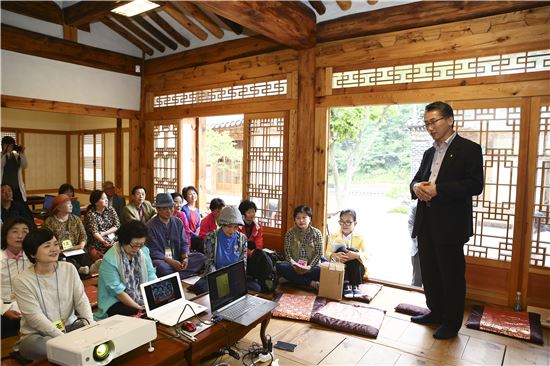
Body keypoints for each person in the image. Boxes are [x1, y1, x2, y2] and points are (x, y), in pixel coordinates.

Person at [410, 101, 484, 340]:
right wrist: (415, 187)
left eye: (434, 122)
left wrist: (438, 189)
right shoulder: (429, 152)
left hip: (451, 224)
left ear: (450, 120)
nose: (430, 127)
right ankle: (436, 311)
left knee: (451, 275)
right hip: (426, 220)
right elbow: (416, 180)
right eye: (426, 123)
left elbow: (475, 185)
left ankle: (451, 323)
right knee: (429, 272)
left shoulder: (469, 149)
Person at [14, 228, 94, 361]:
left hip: (71, 326)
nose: (54, 249)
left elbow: (81, 300)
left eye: (56, 244)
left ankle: (71, 351)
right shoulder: (22, 280)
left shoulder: (69, 268)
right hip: (38, 335)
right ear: (33, 254)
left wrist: (91, 325)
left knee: (99, 325)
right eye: (47, 246)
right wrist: (63, 338)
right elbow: (34, 317)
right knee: (38, 347)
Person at [95, 220, 156, 320]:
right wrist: (140, 308)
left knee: (159, 306)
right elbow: (118, 291)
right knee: (141, 315)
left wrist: (155, 298)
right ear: (124, 240)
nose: (137, 249)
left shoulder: (143, 251)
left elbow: (151, 275)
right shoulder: (110, 259)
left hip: (140, 296)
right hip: (115, 300)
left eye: (141, 244)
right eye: (134, 245)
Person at [193, 206, 261, 294]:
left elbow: (242, 263)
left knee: (256, 288)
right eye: (229, 226)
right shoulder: (211, 237)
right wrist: (220, 281)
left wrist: (235, 279)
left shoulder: (242, 239)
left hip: (234, 277)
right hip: (216, 276)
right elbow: (209, 262)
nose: (232, 230)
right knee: (200, 287)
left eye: (236, 227)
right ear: (222, 224)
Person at [147, 193, 204, 278]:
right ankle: (178, 275)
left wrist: (185, 257)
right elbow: (152, 250)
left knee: (201, 258)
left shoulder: (178, 222)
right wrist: (170, 261)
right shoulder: (150, 226)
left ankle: (173, 276)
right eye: (165, 209)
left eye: (171, 208)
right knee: (160, 267)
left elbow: (184, 242)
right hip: (163, 260)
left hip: (178, 257)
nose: (169, 211)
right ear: (157, 209)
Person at [276, 205, 323, 290]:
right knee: (280, 266)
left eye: (304, 217)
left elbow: (319, 253)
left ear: (310, 218)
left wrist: (309, 267)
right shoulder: (290, 233)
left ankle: (290, 279)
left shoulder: (317, 233)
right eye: (298, 218)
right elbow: (287, 253)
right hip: (294, 266)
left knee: (321, 270)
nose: (301, 220)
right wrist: (294, 265)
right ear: (295, 220)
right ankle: (311, 283)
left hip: (311, 267)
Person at [1, 217, 32, 339]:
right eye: (15, 231)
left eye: (25, 231)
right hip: (3, 305)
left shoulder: (33, 257)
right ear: (5, 234)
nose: (20, 236)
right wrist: (4, 310)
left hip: (27, 305)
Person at [43, 194, 90, 275]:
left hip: (75, 249)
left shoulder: (76, 219)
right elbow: (46, 241)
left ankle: (90, 269)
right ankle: (80, 269)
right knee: (64, 259)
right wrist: (57, 250)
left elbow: (83, 236)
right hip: (59, 252)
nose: (71, 205)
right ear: (58, 207)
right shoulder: (49, 222)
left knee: (84, 253)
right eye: (68, 204)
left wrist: (81, 245)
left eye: (71, 203)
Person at [326, 209, 368, 298]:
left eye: (348, 222)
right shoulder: (333, 236)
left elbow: (367, 254)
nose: (344, 225)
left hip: (357, 270)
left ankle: (353, 285)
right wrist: (334, 255)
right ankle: (348, 284)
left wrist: (356, 255)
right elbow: (327, 253)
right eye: (342, 222)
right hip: (340, 266)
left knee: (353, 251)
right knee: (341, 248)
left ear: (355, 223)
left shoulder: (360, 237)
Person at [85, 190, 120, 263]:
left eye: (106, 198)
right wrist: (103, 241)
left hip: (112, 237)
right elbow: (95, 232)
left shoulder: (111, 209)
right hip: (98, 241)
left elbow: (117, 225)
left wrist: (105, 233)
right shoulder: (91, 214)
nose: (106, 200)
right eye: (103, 198)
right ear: (96, 202)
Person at [1, 136, 28, 204]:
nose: (10, 147)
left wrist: (22, 153)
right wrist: (6, 153)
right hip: (4, 190)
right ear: (3, 145)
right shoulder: (1, 155)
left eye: (11, 145)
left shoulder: (16, 155)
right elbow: (1, 165)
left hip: (17, 188)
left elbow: (25, 165)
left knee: (21, 208)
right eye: (7, 145)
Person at [408, 204, 422, 287]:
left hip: (434, 249)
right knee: (417, 280)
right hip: (418, 250)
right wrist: (420, 243)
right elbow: (411, 227)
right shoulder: (415, 206)